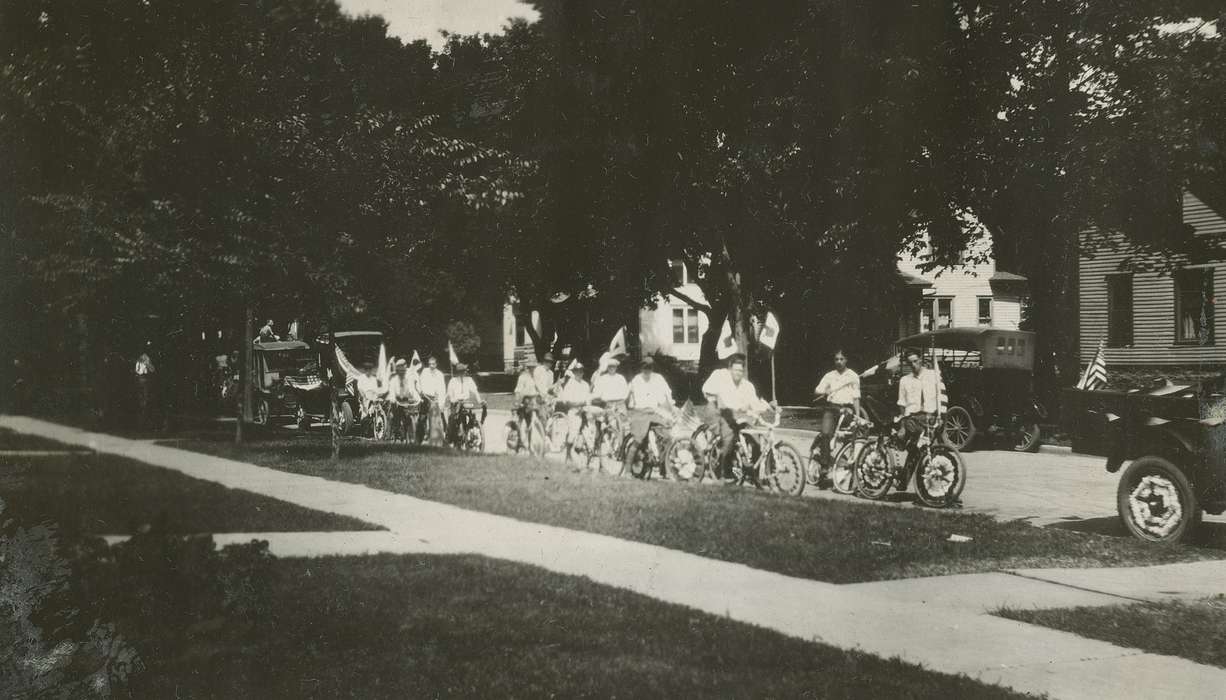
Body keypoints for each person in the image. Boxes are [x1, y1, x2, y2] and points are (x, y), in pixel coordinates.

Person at [702, 354, 772, 484]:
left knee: (757, 442)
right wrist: (739, 407)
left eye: (740, 370)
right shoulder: (724, 382)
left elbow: (754, 402)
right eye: (735, 370)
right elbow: (724, 402)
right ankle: (722, 473)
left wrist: (766, 407)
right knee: (728, 439)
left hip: (742, 417)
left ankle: (754, 476)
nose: (738, 373)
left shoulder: (747, 386)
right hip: (726, 414)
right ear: (730, 370)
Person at [811, 349, 862, 486]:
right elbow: (817, 390)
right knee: (826, 433)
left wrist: (857, 415)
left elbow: (856, 397)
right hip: (832, 408)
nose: (839, 362)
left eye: (842, 359)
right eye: (836, 359)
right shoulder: (829, 376)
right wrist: (824, 391)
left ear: (846, 360)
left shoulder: (853, 376)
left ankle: (849, 469)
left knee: (851, 439)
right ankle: (824, 466)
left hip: (847, 410)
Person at [626, 356, 676, 476]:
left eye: (649, 368)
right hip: (640, 413)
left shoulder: (658, 378)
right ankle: (627, 470)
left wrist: (672, 408)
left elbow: (667, 394)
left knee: (667, 436)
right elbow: (627, 397)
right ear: (641, 368)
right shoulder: (636, 380)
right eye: (644, 368)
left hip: (653, 412)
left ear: (652, 368)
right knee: (638, 439)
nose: (647, 371)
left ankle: (664, 469)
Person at [896, 348, 941, 471]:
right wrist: (902, 425)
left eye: (915, 361)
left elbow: (940, 396)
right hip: (913, 419)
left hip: (930, 417)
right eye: (910, 363)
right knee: (916, 449)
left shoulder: (933, 375)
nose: (913, 365)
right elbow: (902, 403)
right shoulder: (904, 380)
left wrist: (941, 416)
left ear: (921, 360)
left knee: (934, 453)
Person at [554, 361, 591, 458]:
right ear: (574, 373)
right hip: (574, 410)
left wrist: (583, 406)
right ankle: (568, 454)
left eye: (581, 372)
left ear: (583, 372)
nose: (579, 374)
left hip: (584, 410)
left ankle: (586, 450)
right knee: (573, 431)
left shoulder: (585, 385)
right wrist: (576, 405)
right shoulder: (570, 384)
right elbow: (567, 400)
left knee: (590, 429)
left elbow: (588, 399)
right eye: (577, 372)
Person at [445, 363, 484, 445]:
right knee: (452, 419)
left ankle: (470, 430)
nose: (462, 373)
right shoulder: (453, 381)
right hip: (455, 403)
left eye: (463, 371)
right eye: (460, 371)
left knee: (471, 416)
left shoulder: (469, 380)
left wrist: (480, 400)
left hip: (466, 402)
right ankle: (449, 438)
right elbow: (450, 393)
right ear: (457, 372)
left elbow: (475, 391)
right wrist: (453, 399)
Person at [386, 358, 421, 440]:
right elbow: (391, 391)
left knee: (410, 416)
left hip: (406, 401)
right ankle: (392, 433)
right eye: (400, 371)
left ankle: (411, 434)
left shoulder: (408, 380)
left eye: (403, 371)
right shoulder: (394, 380)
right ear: (397, 371)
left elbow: (412, 390)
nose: (402, 373)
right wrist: (393, 399)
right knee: (393, 417)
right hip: (397, 401)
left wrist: (417, 398)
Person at [513, 357, 544, 448]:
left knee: (533, 421)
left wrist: (543, 396)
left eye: (534, 367)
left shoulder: (536, 378)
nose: (532, 369)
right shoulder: (523, 377)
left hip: (534, 401)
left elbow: (540, 389)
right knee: (521, 421)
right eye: (531, 367)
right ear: (528, 368)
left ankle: (531, 445)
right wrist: (518, 401)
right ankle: (519, 440)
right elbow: (518, 390)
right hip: (524, 400)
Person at [418, 355, 447, 444]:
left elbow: (442, 389)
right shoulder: (425, 372)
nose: (431, 366)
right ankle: (421, 437)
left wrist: (441, 402)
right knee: (422, 417)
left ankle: (444, 436)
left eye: (433, 364)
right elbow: (420, 383)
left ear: (436, 364)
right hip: (425, 397)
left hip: (435, 399)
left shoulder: (440, 374)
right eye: (430, 364)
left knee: (440, 417)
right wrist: (421, 391)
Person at [134, 345, 156, 430]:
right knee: (144, 400)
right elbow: (152, 370)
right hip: (143, 380)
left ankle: (142, 422)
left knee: (144, 401)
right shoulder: (144, 359)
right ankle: (143, 422)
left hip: (142, 380)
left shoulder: (142, 359)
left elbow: (151, 370)